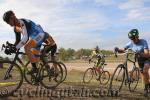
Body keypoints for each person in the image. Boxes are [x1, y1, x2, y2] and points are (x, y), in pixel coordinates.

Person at [114, 29, 150, 96]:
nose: (132, 40)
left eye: (133, 38)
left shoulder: (143, 41)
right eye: (131, 38)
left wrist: (140, 53)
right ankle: (148, 85)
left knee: (145, 71)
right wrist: (117, 49)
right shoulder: (130, 43)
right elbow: (123, 50)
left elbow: (147, 54)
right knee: (143, 74)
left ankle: (146, 89)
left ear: (137, 36)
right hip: (139, 60)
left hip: (146, 59)